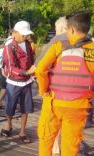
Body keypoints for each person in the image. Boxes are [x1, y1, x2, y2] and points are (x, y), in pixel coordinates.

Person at [36, 11, 94, 155]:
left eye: (67, 29)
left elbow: (40, 69)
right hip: (78, 105)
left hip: (53, 102)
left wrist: (43, 91)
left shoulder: (58, 46)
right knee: (71, 145)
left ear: (72, 29)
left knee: (46, 140)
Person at [34, 16, 68, 155]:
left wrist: (42, 90)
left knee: (49, 126)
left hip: (55, 92)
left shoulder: (56, 43)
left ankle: (54, 147)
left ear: (61, 29)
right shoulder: (86, 43)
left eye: (56, 29)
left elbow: (39, 68)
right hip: (77, 95)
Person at [1, 21, 36, 143]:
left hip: (26, 82)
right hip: (13, 83)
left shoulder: (27, 44)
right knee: (10, 107)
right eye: (23, 34)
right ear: (15, 33)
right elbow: (11, 68)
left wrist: (33, 72)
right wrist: (26, 72)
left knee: (26, 108)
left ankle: (22, 131)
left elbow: (31, 61)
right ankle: (8, 125)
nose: (26, 36)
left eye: (27, 34)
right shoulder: (9, 46)